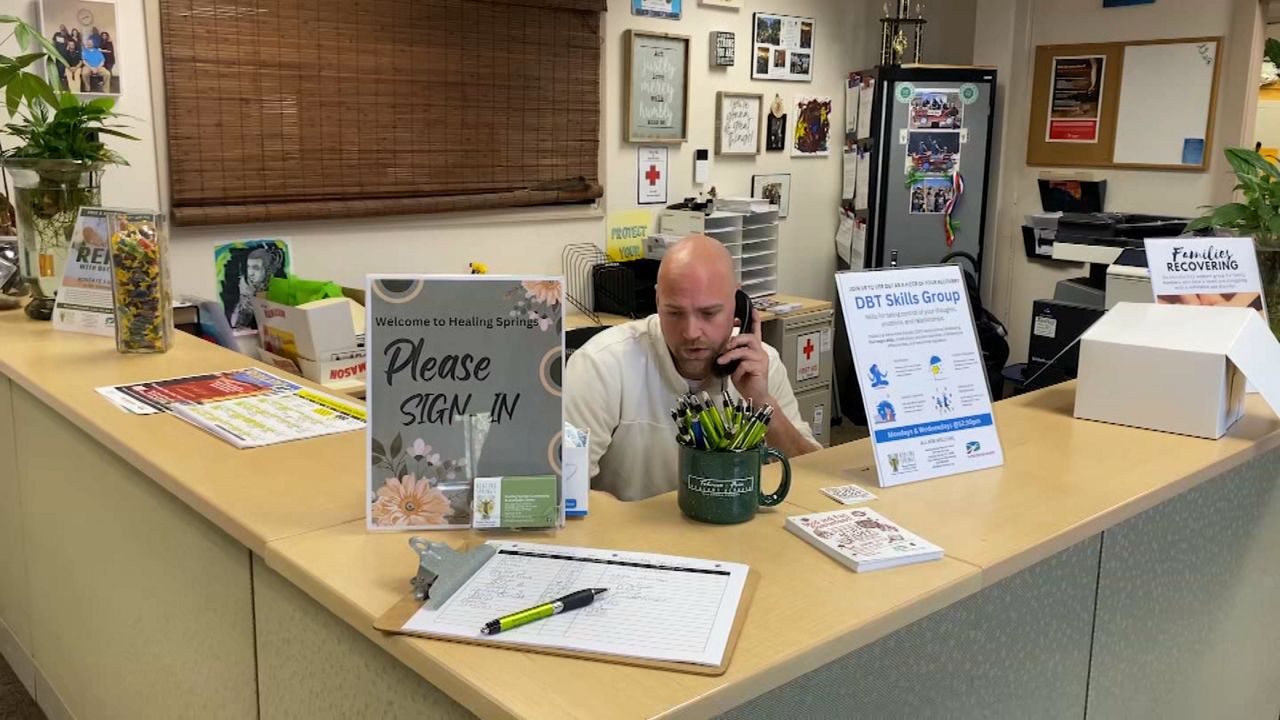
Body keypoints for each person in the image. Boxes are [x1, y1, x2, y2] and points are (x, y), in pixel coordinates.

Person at [565, 235, 820, 501]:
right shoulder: (601, 365)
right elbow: (562, 490)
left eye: (708, 313)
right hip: (631, 526)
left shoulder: (762, 366)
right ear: (657, 300)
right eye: (675, 313)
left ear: (737, 303)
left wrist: (763, 404)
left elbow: (812, 480)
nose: (691, 332)